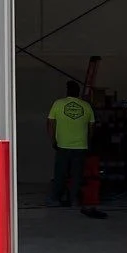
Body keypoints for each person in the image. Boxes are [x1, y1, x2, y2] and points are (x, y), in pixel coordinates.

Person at [47, 80, 107, 219]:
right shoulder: (86, 106)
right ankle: (74, 199)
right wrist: (87, 141)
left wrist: (53, 140)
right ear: (78, 92)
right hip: (80, 146)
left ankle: (55, 198)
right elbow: (91, 127)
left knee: (60, 173)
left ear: (67, 91)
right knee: (76, 175)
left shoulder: (58, 104)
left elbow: (50, 123)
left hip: (62, 145)